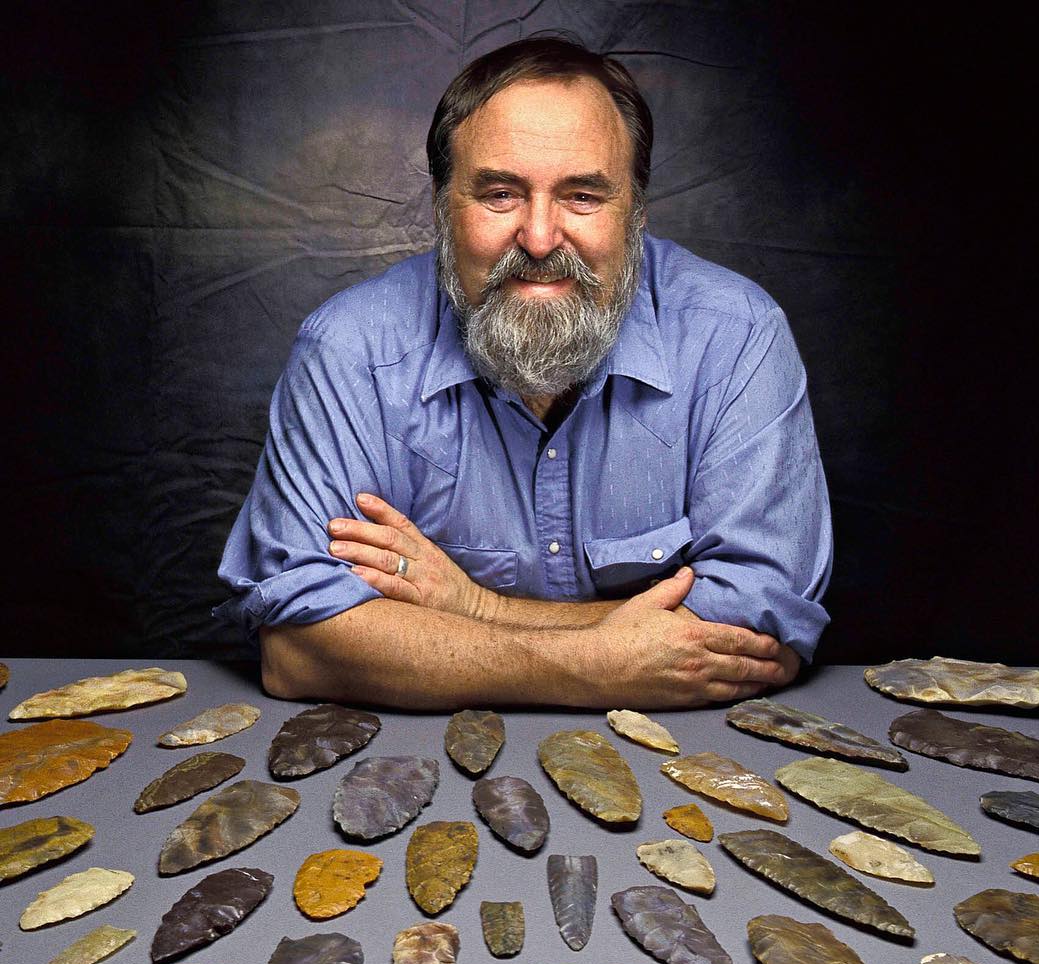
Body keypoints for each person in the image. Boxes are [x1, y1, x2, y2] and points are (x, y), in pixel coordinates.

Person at [215, 37, 832, 710]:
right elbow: (297, 649)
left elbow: (757, 632)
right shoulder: (348, 351)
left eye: (583, 196)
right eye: (500, 194)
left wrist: (477, 607)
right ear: (442, 205)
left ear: (636, 212)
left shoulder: (736, 335)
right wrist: (593, 664)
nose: (539, 238)